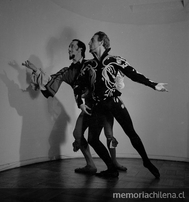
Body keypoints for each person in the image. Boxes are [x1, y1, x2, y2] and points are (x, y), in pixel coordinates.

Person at [22, 39, 126, 175]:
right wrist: (37, 71)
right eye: (69, 47)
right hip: (87, 107)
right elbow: (52, 80)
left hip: (103, 105)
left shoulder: (91, 64)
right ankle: (90, 165)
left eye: (72, 46)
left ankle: (114, 164)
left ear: (80, 50)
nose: (69, 49)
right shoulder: (68, 71)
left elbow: (107, 73)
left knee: (109, 134)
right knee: (78, 134)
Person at [74, 31, 168, 178]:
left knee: (131, 133)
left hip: (113, 103)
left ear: (101, 42)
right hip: (98, 106)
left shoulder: (115, 60)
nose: (89, 43)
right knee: (92, 139)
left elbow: (134, 74)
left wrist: (153, 85)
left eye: (92, 40)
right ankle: (111, 169)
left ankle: (146, 161)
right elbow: (77, 85)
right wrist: (79, 102)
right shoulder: (88, 65)